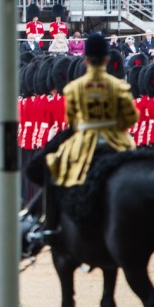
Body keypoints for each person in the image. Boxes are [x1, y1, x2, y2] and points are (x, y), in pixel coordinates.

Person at [43, 33, 138, 242]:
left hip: (84, 145)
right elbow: (131, 118)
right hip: (117, 142)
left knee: (54, 171)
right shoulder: (119, 87)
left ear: (85, 60)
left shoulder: (73, 88)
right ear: (107, 60)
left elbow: (72, 120)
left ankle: (50, 227)